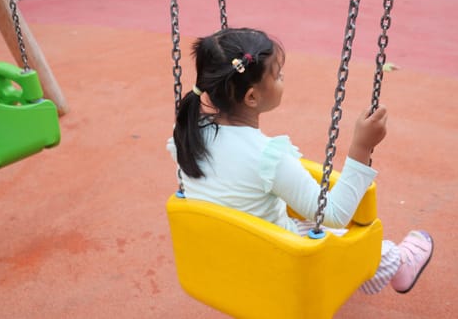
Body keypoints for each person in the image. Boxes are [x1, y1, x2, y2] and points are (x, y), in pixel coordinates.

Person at [167, 27, 433, 294]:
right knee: (345, 238)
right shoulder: (268, 158)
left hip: (222, 260)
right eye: (278, 75)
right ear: (251, 97)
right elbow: (334, 214)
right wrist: (361, 146)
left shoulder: (185, 139)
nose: (283, 79)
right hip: (278, 266)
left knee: (296, 220)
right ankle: (398, 262)